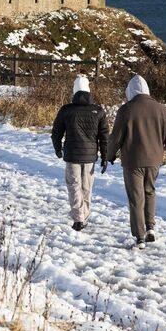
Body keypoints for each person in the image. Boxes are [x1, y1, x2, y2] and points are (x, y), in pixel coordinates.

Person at [106, 75, 166, 249]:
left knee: (136, 198)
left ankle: (139, 236)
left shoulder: (126, 110)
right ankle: (150, 228)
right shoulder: (162, 110)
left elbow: (116, 138)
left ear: (130, 91)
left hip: (133, 161)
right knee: (150, 192)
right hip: (154, 160)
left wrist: (109, 155)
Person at [51, 75, 110, 232]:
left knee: (73, 186)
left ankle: (79, 218)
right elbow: (104, 136)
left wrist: (57, 147)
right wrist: (105, 157)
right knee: (86, 187)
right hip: (90, 156)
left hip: (72, 155)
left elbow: (56, 131)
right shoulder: (98, 111)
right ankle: (85, 215)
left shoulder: (66, 110)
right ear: (89, 91)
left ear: (74, 91)